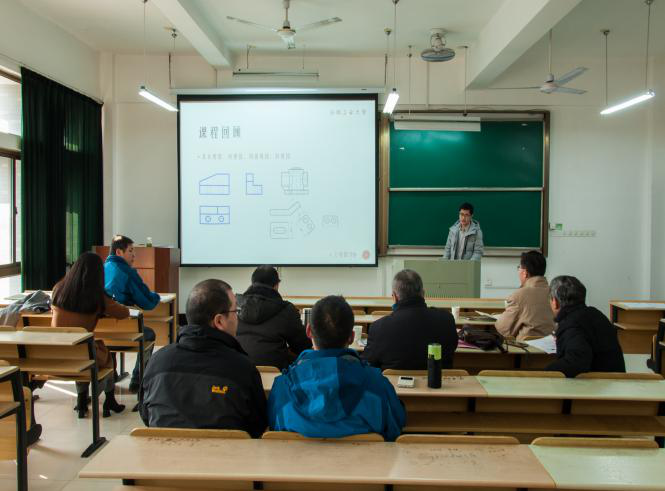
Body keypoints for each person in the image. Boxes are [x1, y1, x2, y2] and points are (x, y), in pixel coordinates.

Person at [140, 279, 267, 437]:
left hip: (165, 451)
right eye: (236, 311)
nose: (238, 318)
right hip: (226, 452)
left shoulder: (157, 361)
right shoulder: (243, 368)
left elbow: (146, 415)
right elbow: (257, 425)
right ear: (219, 321)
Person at [268, 295, 406, 441]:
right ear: (351, 337)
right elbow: (395, 427)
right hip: (362, 456)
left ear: (308, 331)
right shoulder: (377, 384)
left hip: (299, 456)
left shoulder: (282, 387)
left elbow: (274, 428)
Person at [51, 252, 129, 418]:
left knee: (82, 352)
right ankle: (109, 400)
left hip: (56, 353)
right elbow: (124, 313)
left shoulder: (58, 289)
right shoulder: (97, 297)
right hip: (83, 354)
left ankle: (81, 400)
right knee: (107, 357)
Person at [362, 270, 458, 370]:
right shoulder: (446, 320)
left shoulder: (379, 327)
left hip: (392, 380)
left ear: (394, 297)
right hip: (437, 379)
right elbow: (451, 350)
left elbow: (368, 364)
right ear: (423, 293)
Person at [104, 235, 160, 392]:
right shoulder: (127, 272)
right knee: (149, 335)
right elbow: (147, 302)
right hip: (125, 330)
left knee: (109, 336)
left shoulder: (102, 268)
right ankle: (137, 380)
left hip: (102, 331)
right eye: (130, 251)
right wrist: (156, 296)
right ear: (119, 252)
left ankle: (111, 375)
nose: (134, 255)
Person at [545, 275, 625, 378]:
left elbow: (576, 362)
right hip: (616, 380)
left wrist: (546, 372)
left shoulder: (572, 324)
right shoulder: (596, 314)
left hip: (600, 384)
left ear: (555, 302)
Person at [236, 266, 311, 370]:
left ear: (252, 283)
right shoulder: (286, 309)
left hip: (238, 370)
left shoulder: (235, 306)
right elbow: (302, 346)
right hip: (275, 373)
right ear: (276, 285)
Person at [495, 251, 556, 340]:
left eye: (519, 268)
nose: (518, 271)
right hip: (552, 346)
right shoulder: (555, 293)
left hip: (527, 347)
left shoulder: (519, 296)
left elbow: (503, 329)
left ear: (525, 273)